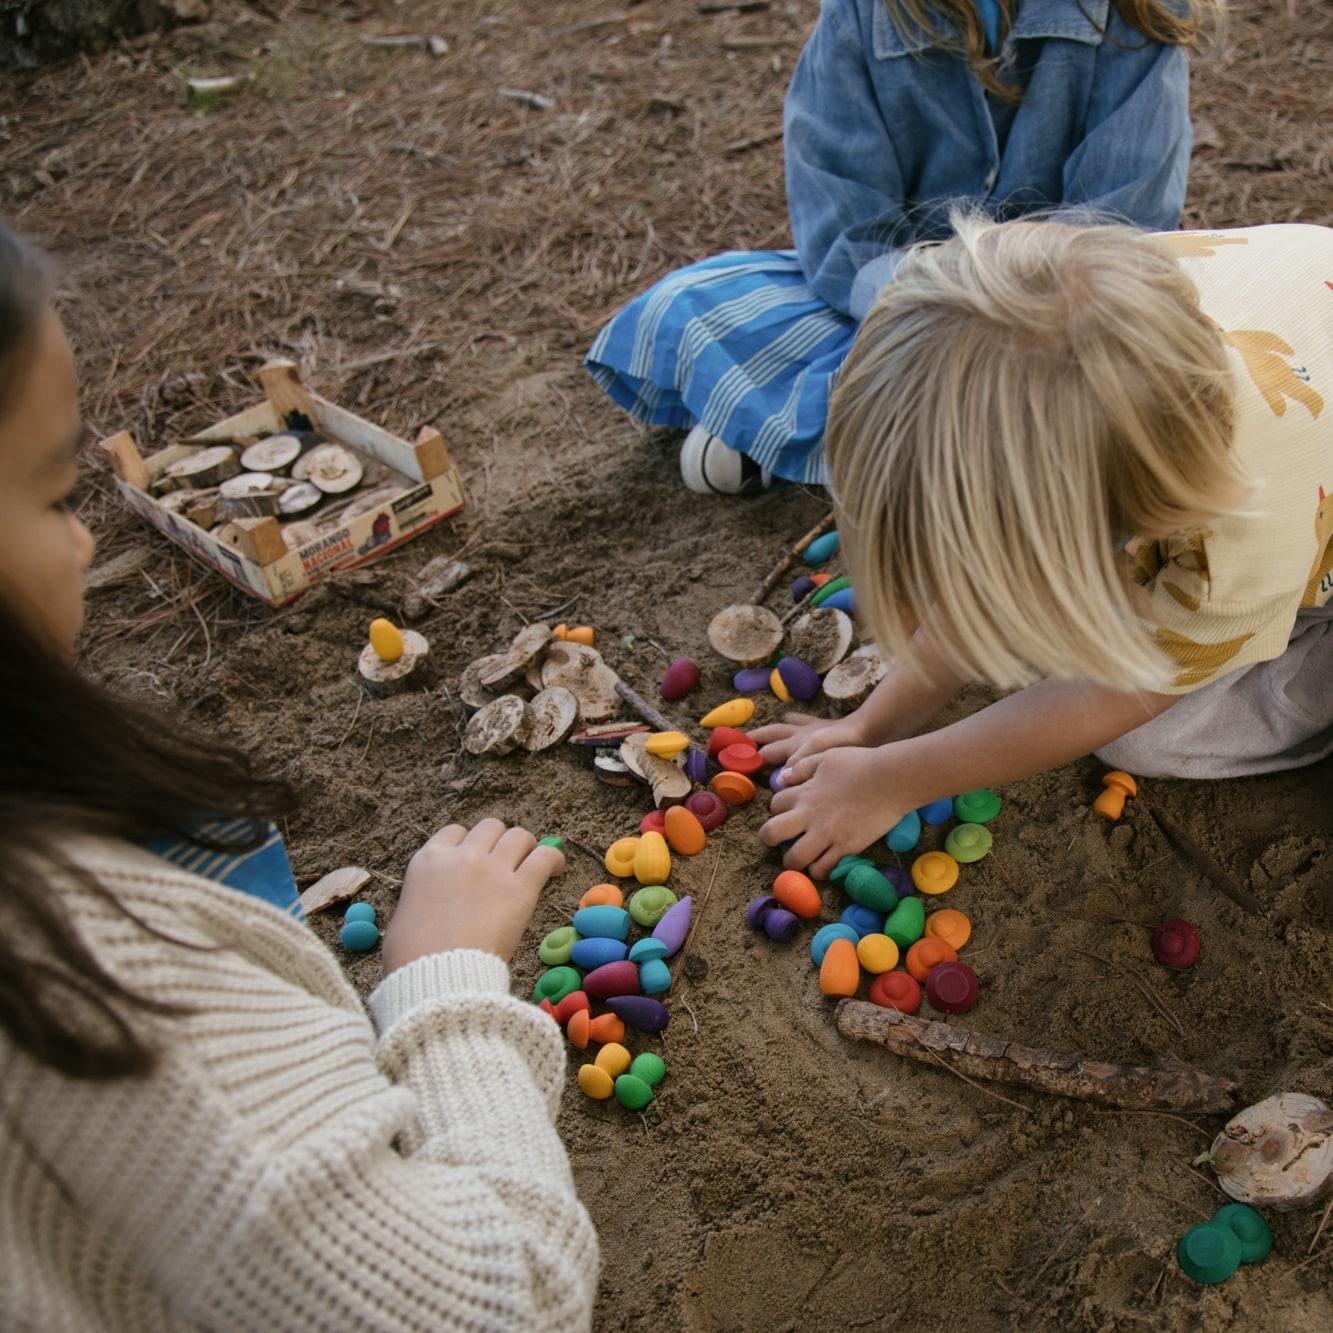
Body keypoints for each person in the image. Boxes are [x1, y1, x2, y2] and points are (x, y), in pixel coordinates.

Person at [0, 222, 599, 1330]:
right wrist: (447, 984)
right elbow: (493, 1306)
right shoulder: (89, 965)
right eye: (46, 499)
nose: (85, 544)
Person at [754, 216, 1333, 878]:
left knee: (1144, 736)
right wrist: (872, 727)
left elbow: (1115, 699)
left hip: (1293, 524)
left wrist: (892, 779)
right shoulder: (1093, 305)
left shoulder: (1227, 560)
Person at [586, 0, 1225, 493]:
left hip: (1060, 327)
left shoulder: (1137, 17)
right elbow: (845, 237)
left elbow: (1120, 232)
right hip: (903, 310)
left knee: (1116, 388)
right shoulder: (865, 13)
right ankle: (927, 446)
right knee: (689, 304)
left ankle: (825, 436)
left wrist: (1006, 310)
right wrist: (946, 305)